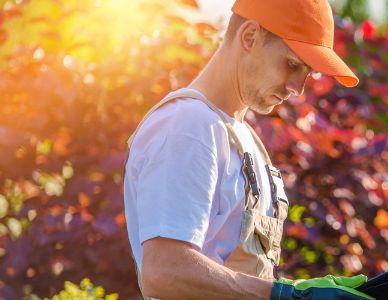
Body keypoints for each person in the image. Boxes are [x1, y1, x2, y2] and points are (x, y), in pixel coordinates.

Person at [123, 0, 371, 299]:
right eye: (292, 65)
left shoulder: (244, 138)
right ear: (250, 37)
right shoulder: (188, 125)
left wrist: (295, 291)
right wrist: (286, 296)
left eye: (308, 73)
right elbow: (165, 270)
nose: (298, 88)